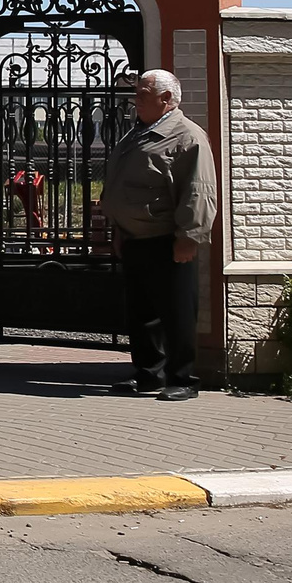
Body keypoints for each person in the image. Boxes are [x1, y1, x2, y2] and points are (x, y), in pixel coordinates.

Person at [101, 68, 217, 402]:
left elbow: (199, 190)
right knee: (142, 314)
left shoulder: (186, 136)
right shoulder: (139, 133)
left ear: (166, 99)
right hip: (136, 238)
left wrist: (189, 237)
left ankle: (183, 378)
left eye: (142, 95)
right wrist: (120, 228)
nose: (135, 100)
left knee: (177, 312)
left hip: (169, 239)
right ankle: (148, 374)